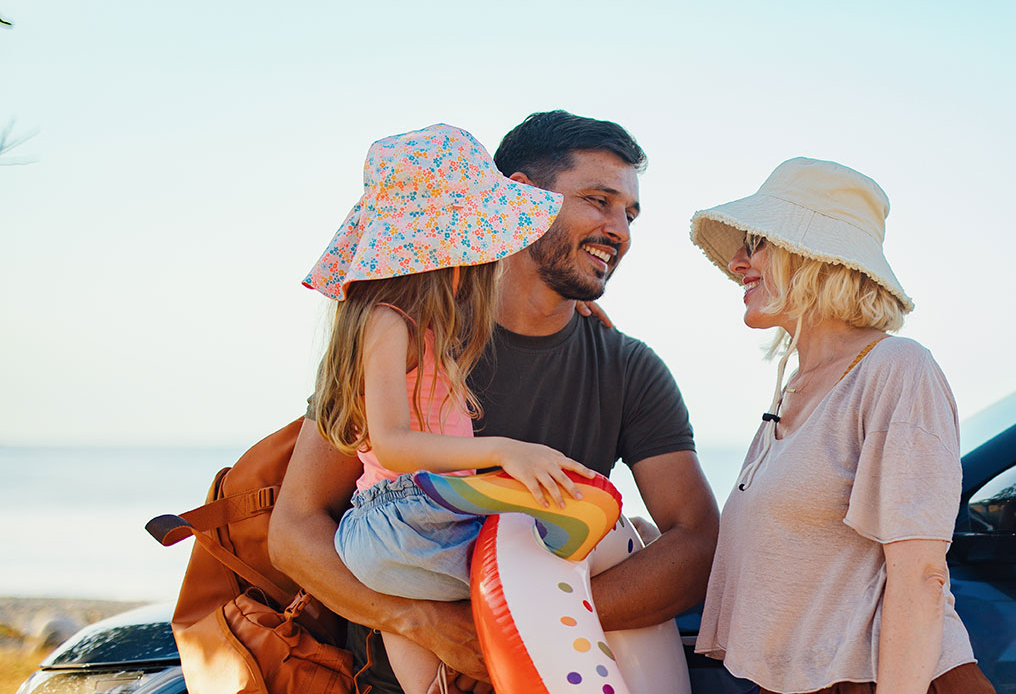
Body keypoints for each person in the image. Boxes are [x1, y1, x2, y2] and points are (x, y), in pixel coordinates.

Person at [269, 111, 720, 694]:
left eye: (629, 213)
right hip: (390, 677)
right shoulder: (410, 334)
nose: (620, 229)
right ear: (523, 200)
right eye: (599, 200)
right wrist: (422, 622)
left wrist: (521, 630)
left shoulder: (627, 366)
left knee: (630, 531)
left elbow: (695, 541)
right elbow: (294, 528)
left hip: (550, 673)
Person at [300, 123, 606, 694]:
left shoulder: (433, 326)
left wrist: (577, 310)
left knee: (432, 677)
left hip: (393, 533)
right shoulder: (390, 320)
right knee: (581, 544)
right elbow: (390, 442)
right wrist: (503, 450)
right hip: (404, 518)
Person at [689, 158, 993, 694]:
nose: (738, 262)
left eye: (757, 242)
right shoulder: (798, 387)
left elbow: (921, 574)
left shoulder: (897, 369)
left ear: (814, 258)